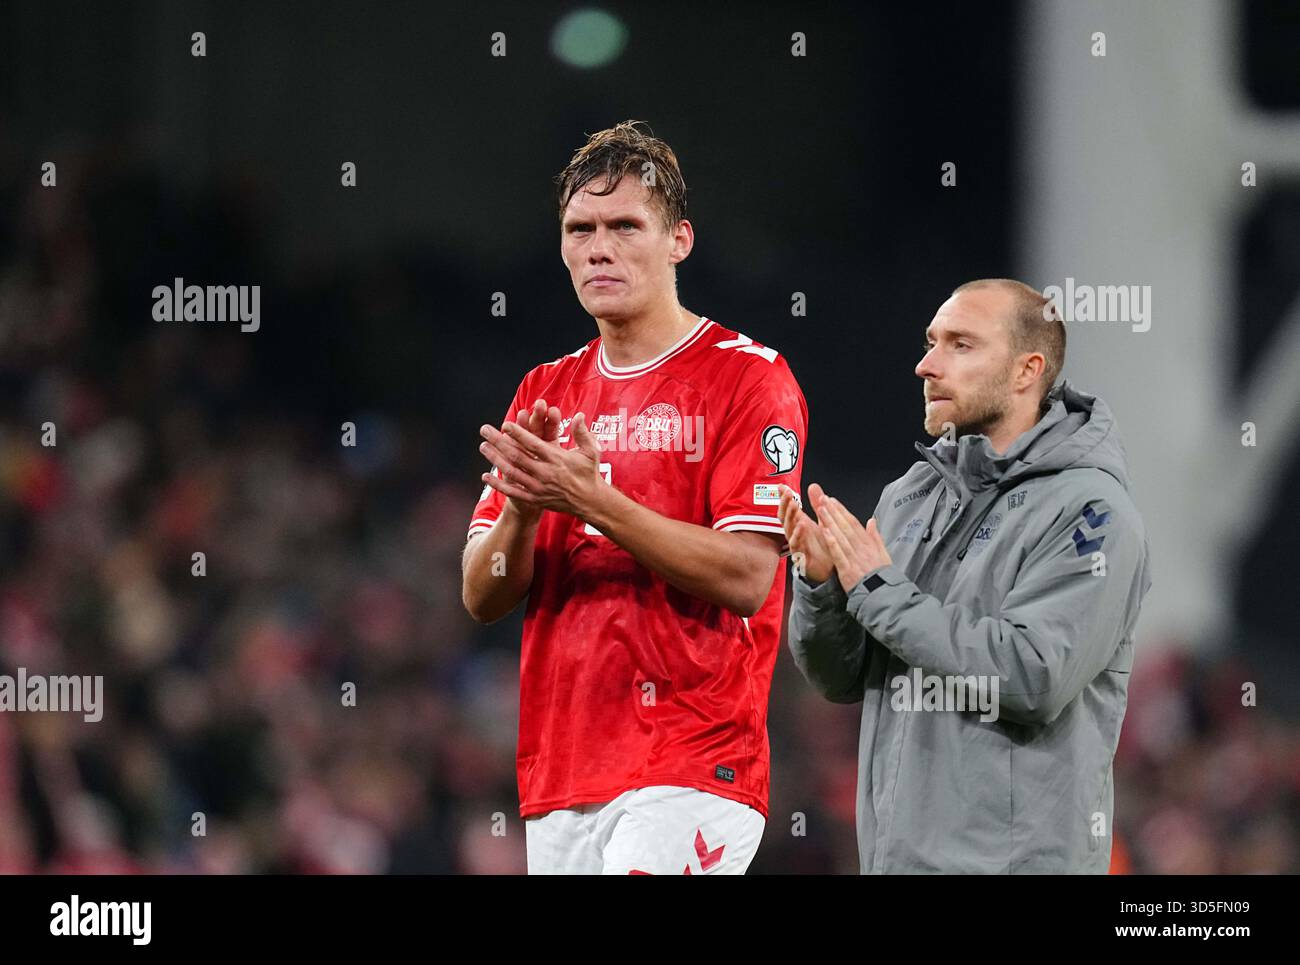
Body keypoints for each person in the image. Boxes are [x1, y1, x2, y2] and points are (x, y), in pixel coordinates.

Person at [461, 120, 808, 874]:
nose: (599, 246)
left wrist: (591, 500)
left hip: (693, 759)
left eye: (625, 225)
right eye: (580, 228)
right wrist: (524, 508)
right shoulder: (544, 390)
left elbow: (750, 577)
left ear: (679, 239)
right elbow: (482, 596)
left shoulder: (748, 379)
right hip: (562, 768)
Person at [780, 278, 1150, 873]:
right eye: (931, 342)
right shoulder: (911, 496)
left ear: (1027, 370)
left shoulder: (1090, 512)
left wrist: (878, 589)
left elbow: (1032, 676)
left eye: (961, 345)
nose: (927, 364)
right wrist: (823, 587)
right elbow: (842, 679)